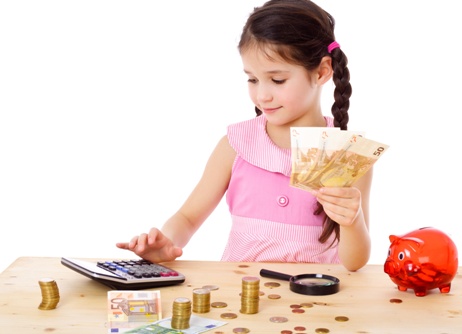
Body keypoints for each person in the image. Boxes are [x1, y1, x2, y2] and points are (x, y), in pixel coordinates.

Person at [116, 0, 372, 271]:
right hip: (238, 301)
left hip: (315, 301)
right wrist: (166, 243)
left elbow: (355, 263)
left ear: (321, 72)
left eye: (277, 80)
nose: (262, 95)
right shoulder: (235, 146)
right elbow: (188, 218)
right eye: (252, 79)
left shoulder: (348, 156)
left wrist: (352, 220)